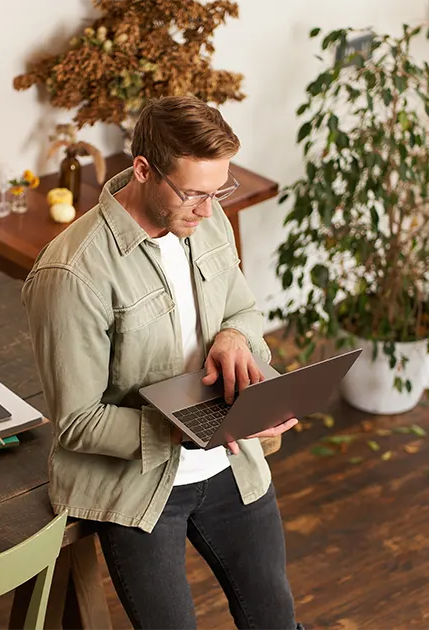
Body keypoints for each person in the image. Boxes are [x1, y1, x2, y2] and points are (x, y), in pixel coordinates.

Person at [21, 95, 302, 630]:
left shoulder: (208, 216)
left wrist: (236, 338)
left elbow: (242, 307)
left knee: (276, 621)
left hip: (232, 463)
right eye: (194, 192)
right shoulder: (73, 273)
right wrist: (188, 428)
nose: (208, 207)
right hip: (141, 487)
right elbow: (77, 422)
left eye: (219, 190)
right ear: (143, 169)